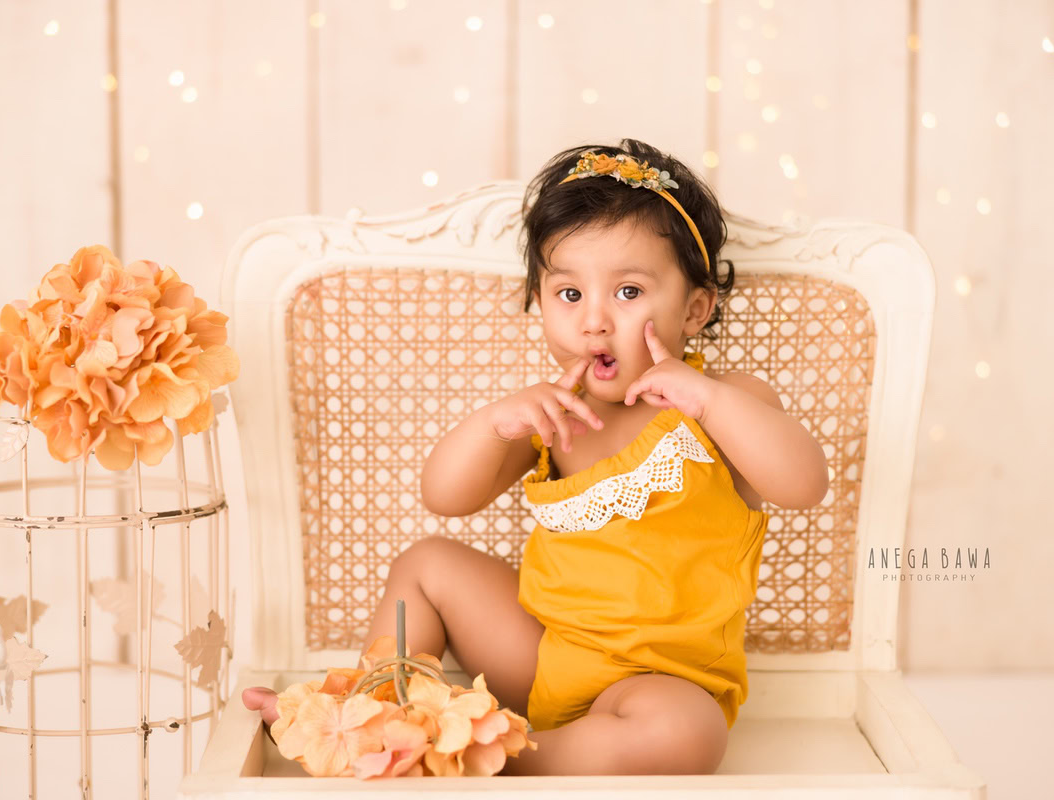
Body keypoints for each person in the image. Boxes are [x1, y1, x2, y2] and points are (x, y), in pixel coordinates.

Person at [242, 139, 830, 775]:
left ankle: (482, 757)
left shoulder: (729, 404)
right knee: (426, 564)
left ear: (695, 309)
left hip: (660, 682)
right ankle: (372, 715)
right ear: (541, 301)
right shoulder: (553, 415)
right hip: (545, 653)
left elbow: (803, 483)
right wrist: (497, 423)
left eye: (628, 292)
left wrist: (709, 401)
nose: (594, 321)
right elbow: (445, 496)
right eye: (569, 294)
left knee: (688, 734)